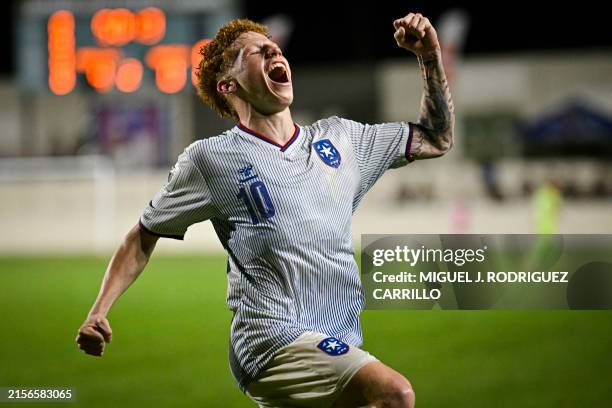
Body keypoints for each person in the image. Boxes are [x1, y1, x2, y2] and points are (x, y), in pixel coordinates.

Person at [76, 11, 454, 408]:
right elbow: (144, 233)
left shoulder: (344, 140)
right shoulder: (211, 159)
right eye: (254, 52)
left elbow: (437, 137)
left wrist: (429, 55)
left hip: (338, 340)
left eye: (273, 47)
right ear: (229, 85)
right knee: (394, 395)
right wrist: (98, 311)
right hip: (270, 342)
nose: (272, 49)